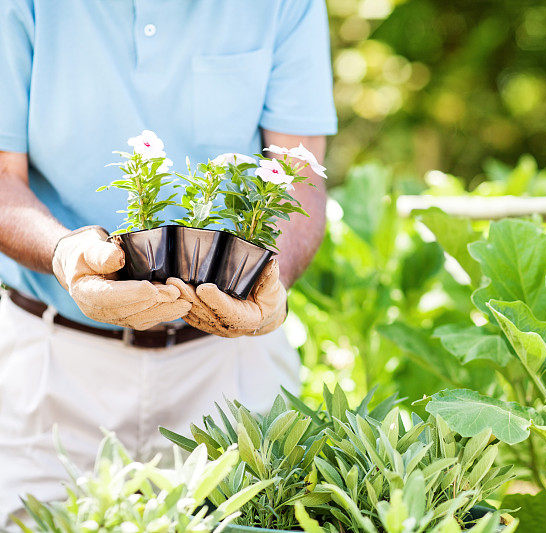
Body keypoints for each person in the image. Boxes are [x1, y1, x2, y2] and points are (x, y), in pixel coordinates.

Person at [0, 0, 336, 525]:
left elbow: (300, 174)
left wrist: (271, 278)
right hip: (53, 370)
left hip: (229, 366)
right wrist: (67, 254)